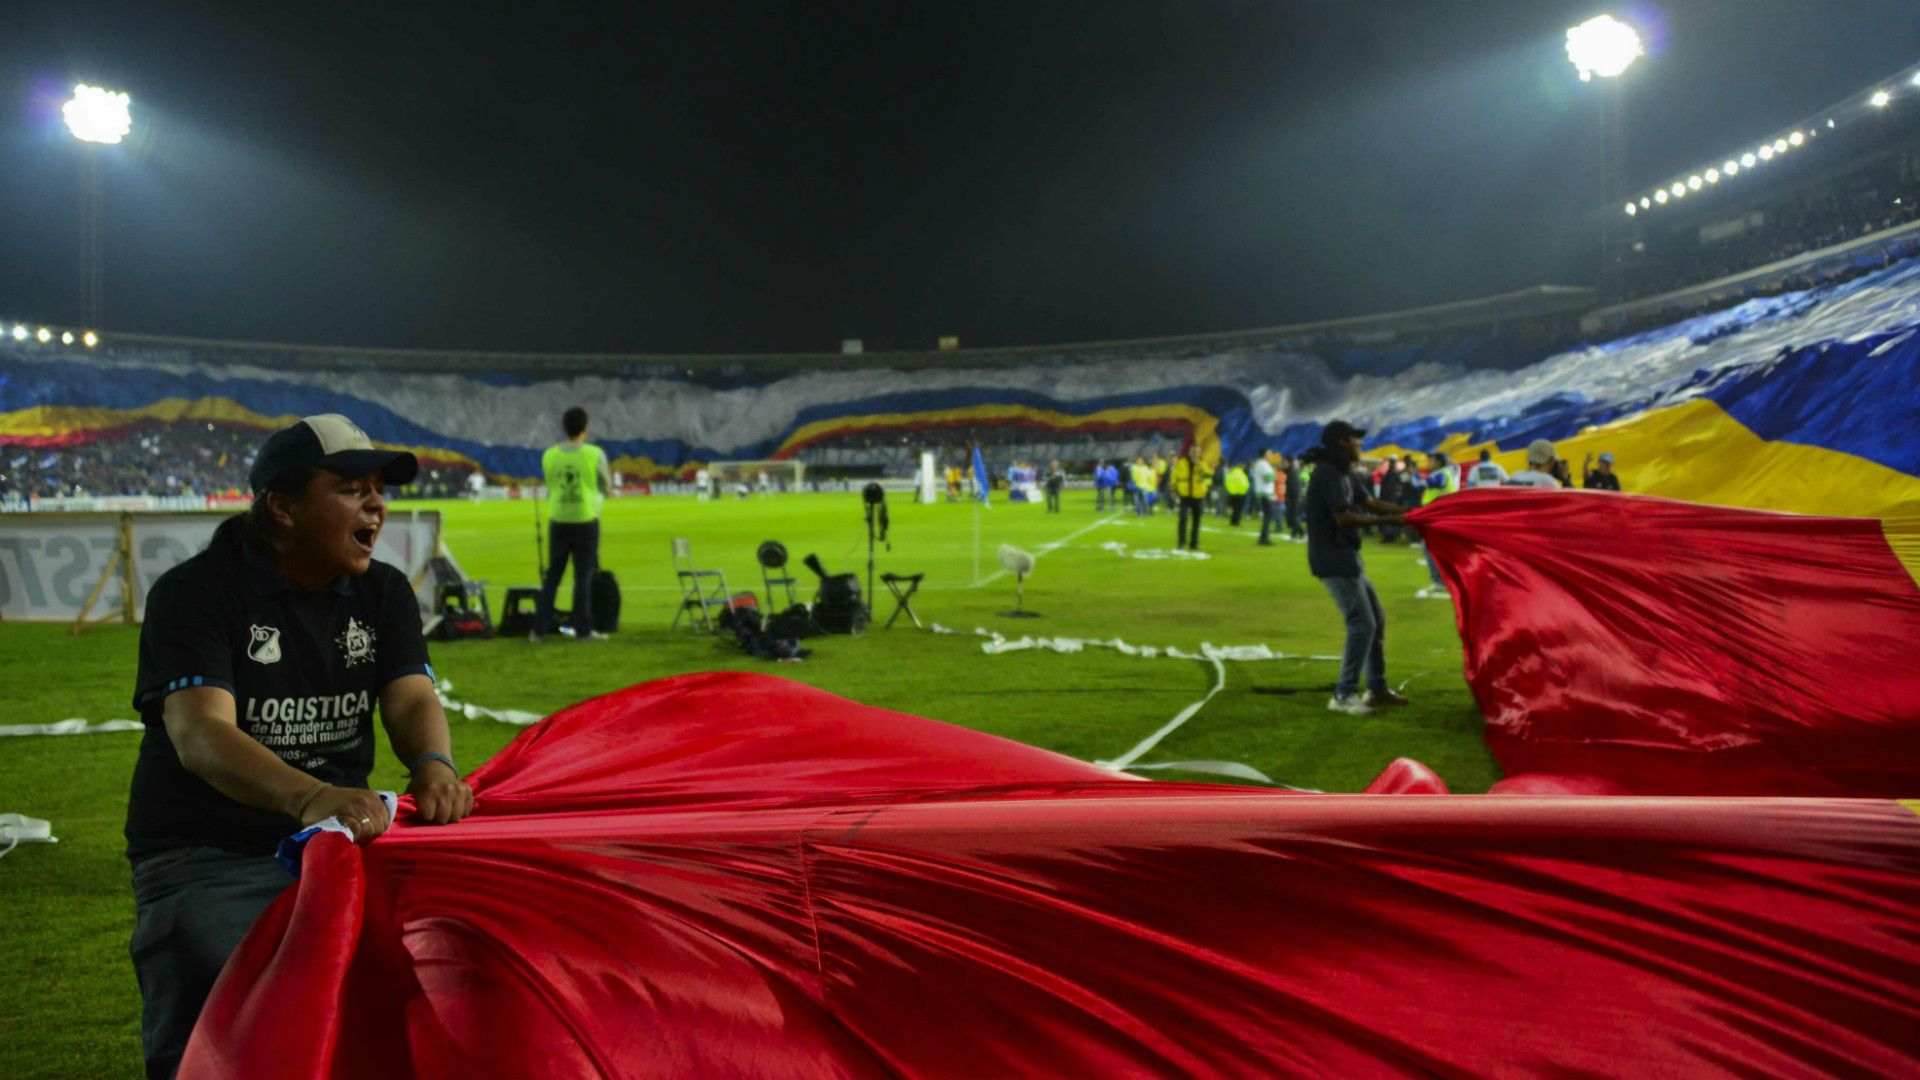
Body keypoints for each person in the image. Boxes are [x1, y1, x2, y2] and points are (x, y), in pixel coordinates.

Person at [125, 414, 475, 1079]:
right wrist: (311, 795)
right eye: (350, 487)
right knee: (225, 1046)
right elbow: (201, 733)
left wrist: (433, 764)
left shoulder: (383, 591)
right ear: (282, 507)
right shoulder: (197, 593)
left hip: (338, 846)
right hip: (207, 855)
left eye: (379, 487)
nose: (376, 503)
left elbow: (409, 695)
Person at [1303, 420, 1411, 715]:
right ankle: (1343, 695)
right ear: (1341, 442)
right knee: (1362, 624)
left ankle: (1376, 689)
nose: (1360, 445)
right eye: (1356, 440)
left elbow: (1371, 502)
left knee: (1375, 618)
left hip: (1348, 557)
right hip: (1333, 559)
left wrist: (1412, 512)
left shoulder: (1343, 473)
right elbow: (1344, 518)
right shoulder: (1327, 474)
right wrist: (1389, 522)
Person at [534, 406, 614, 642]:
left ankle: (538, 630)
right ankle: (583, 631)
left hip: (558, 519)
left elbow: (550, 483)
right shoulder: (594, 454)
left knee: (553, 576)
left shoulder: (549, 455)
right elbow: (605, 486)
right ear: (585, 428)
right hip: (585, 519)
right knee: (583, 577)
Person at [1414, 452, 1459, 600]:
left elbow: (1419, 484)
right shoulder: (1446, 472)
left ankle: (1441, 583)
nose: (1428, 463)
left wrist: (1414, 476)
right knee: (1435, 550)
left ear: (1439, 462)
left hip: (1437, 516)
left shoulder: (1442, 474)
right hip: (1440, 515)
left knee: (1431, 549)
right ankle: (1446, 582)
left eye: (1431, 460)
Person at [1171, 442, 1215, 551]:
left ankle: (1194, 543)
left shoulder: (1202, 463)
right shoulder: (1182, 463)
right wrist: (1173, 490)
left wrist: (1200, 466)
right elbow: (1174, 477)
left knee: (1196, 521)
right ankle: (1181, 543)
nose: (1196, 454)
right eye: (1194, 451)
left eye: (1198, 452)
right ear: (1189, 452)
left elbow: (1208, 475)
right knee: (1183, 518)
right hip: (1185, 496)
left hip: (1198, 496)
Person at [1249, 450, 1277, 545]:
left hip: (1262, 492)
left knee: (1268, 516)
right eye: (1269, 453)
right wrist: (1274, 474)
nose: (1271, 455)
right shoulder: (1264, 464)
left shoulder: (1259, 464)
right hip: (1265, 493)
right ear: (1265, 454)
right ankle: (1264, 538)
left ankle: (1264, 537)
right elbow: (1268, 478)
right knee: (1269, 516)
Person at [1222, 461, 1250, 525]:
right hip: (1240, 493)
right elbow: (1245, 483)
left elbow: (1227, 481)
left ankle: (1232, 521)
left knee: (1234, 509)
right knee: (1238, 509)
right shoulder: (1241, 473)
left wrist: (1230, 489)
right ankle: (1236, 522)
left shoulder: (1232, 472)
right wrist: (1245, 490)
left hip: (1232, 493)